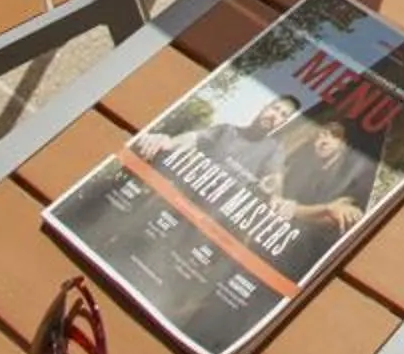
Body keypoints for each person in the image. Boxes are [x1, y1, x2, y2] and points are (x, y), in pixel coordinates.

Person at [133, 91, 302, 182]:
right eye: (275, 108)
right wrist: (167, 141)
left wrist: (275, 191)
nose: (275, 116)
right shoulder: (226, 130)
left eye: (282, 115)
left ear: (283, 123)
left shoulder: (274, 150)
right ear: (264, 108)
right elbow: (193, 138)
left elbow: (274, 179)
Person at [267, 111, 382, 245]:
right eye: (320, 136)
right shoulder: (304, 162)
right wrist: (277, 193)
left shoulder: (357, 172)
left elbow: (335, 215)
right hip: (277, 232)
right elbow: (279, 172)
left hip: (311, 244)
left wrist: (290, 208)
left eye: (333, 137)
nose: (323, 141)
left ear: (344, 144)